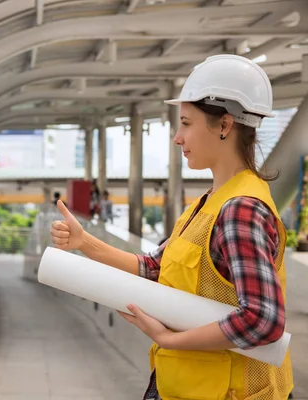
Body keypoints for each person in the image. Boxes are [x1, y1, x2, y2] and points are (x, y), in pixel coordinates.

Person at [50, 54, 293, 399]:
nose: (178, 138)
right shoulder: (208, 203)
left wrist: (170, 338)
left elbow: (263, 321)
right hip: (186, 386)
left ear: (224, 125)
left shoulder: (241, 209)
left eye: (187, 123)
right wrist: (84, 242)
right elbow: (155, 268)